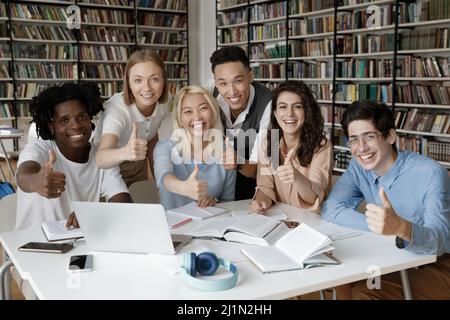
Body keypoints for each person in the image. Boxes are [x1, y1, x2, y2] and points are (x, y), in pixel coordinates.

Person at [321, 101, 450, 299]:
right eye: (354, 140)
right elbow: (332, 208)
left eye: (369, 137)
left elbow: (440, 241)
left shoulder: (430, 173)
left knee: (365, 293)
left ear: (390, 136)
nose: (361, 148)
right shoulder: (359, 168)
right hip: (390, 254)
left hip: (437, 264)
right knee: (338, 280)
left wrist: (401, 228)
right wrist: (381, 228)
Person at [15, 83, 132, 230]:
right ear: (52, 127)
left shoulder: (101, 157)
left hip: (75, 244)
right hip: (27, 245)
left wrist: (94, 213)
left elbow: (125, 205)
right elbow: (23, 175)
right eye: (64, 120)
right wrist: (35, 181)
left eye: (82, 116)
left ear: (90, 119)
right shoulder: (39, 149)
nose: (75, 125)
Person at [250, 81, 332, 214]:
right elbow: (265, 187)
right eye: (283, 107)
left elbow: (315, 198)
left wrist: (296, 176)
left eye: (297, 106)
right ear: (275, 113)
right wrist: (261, 202)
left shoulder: (321, 146)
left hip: (311, 222)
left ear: (307, 111)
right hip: (280, 218)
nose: (289, 114)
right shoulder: (269, 142)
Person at [153, 85, 236, 210]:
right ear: (179, 119)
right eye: (188, 111)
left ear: (213, 112)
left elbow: (228, 201)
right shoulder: (165, 147)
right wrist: (184, 188)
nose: (197, 117)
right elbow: (163, 179)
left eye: (203, 108)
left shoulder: (226, 151)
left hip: (210, 226)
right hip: (173, 226)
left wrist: (214, 202)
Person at [95, 49, 169, 186]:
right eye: (138, 80)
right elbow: (100, 158)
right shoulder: (117, 111)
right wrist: (126, 152)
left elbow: (152, 137)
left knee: (144, 202)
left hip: (138, 162)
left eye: (154, 79)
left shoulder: (164, 103)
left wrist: (159, 181)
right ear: (128, 83)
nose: (147, 88)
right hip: (109, 168)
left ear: (163, 80)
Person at [209, 46, 272, 200]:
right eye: (223, 83)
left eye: (238, 81)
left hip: (255, 183)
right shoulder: (210, 97)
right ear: (216, 82)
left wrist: (238, 162)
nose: (232, 91)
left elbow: (263, 169)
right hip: (218, 181)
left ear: (250, 76)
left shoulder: (269, 105)